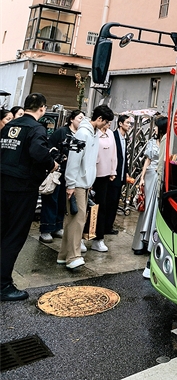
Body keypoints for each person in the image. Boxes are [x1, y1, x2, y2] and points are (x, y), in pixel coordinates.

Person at [1, 93, 59, 301]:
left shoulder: (10, 126)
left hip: (3, 184)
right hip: (22, 188)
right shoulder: (36, 128)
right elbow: (38, 152)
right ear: (42, 108)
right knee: (14, 235)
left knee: (3, 231)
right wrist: (52, 164)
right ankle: (3, 285)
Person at [57, 105, 114, 269]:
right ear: (99, 119)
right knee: (78, 219)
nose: (106, 126)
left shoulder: (92, 133)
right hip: (77, 183)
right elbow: (74, 160)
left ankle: (64, 255)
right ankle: (73, 256)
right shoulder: (83, 133)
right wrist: (71, 184)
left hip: (83, 183)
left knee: (73, 219)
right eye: (106, 122)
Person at [39, 109, 85, 244]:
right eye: (80, 118)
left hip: (70, 173)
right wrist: (58, 158)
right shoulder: (61, 132)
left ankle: (58, 226)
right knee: (51, 199)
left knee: (62, 200)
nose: (82, 121)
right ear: (71, 119)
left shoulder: (81, 134)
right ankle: (46, 228)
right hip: (57, 170)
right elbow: (49, 148)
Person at [132, 116, 168, 279]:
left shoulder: (168, 142)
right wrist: (141, 177)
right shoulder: (152, 142)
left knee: (155, 210)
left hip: (159, 177)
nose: (154, 128)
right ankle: (140, 242)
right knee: (146, 208)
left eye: (156, 126)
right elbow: (147, 160)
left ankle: (150, 243)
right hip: (150, 176)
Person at [90, 122, 117, 252]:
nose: (109, 124)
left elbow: (113, 155)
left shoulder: (110, 134)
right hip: (91, 174)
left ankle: (98, 238)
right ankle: (83, 237)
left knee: (101, 207)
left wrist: (113, 171)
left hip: (104, 175)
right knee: (87, 207)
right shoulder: (93, 133)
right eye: (107, 121)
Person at [105, 114, 132, 235]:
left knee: (115, 202)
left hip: (120, 175)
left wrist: (126, 172)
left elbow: (124, 158)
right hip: (112, 174)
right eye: (127, 123)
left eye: (130, 123)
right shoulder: (113, 136)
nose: (129, 125)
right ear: (120, 124)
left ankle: (109, 226)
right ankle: (105, 226)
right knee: (109, 201)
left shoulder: (125, 138)